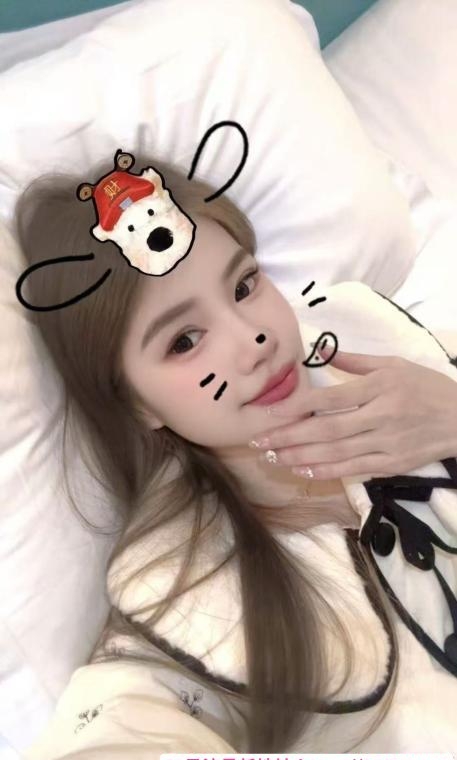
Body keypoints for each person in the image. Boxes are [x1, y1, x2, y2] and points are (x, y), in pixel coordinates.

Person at [17, 153, 457, 758]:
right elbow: (124, 729)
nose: (254, 340)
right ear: (136, 403)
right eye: (184, 341)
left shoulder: (388, 352)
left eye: (245, 285)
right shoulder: (186, 597)